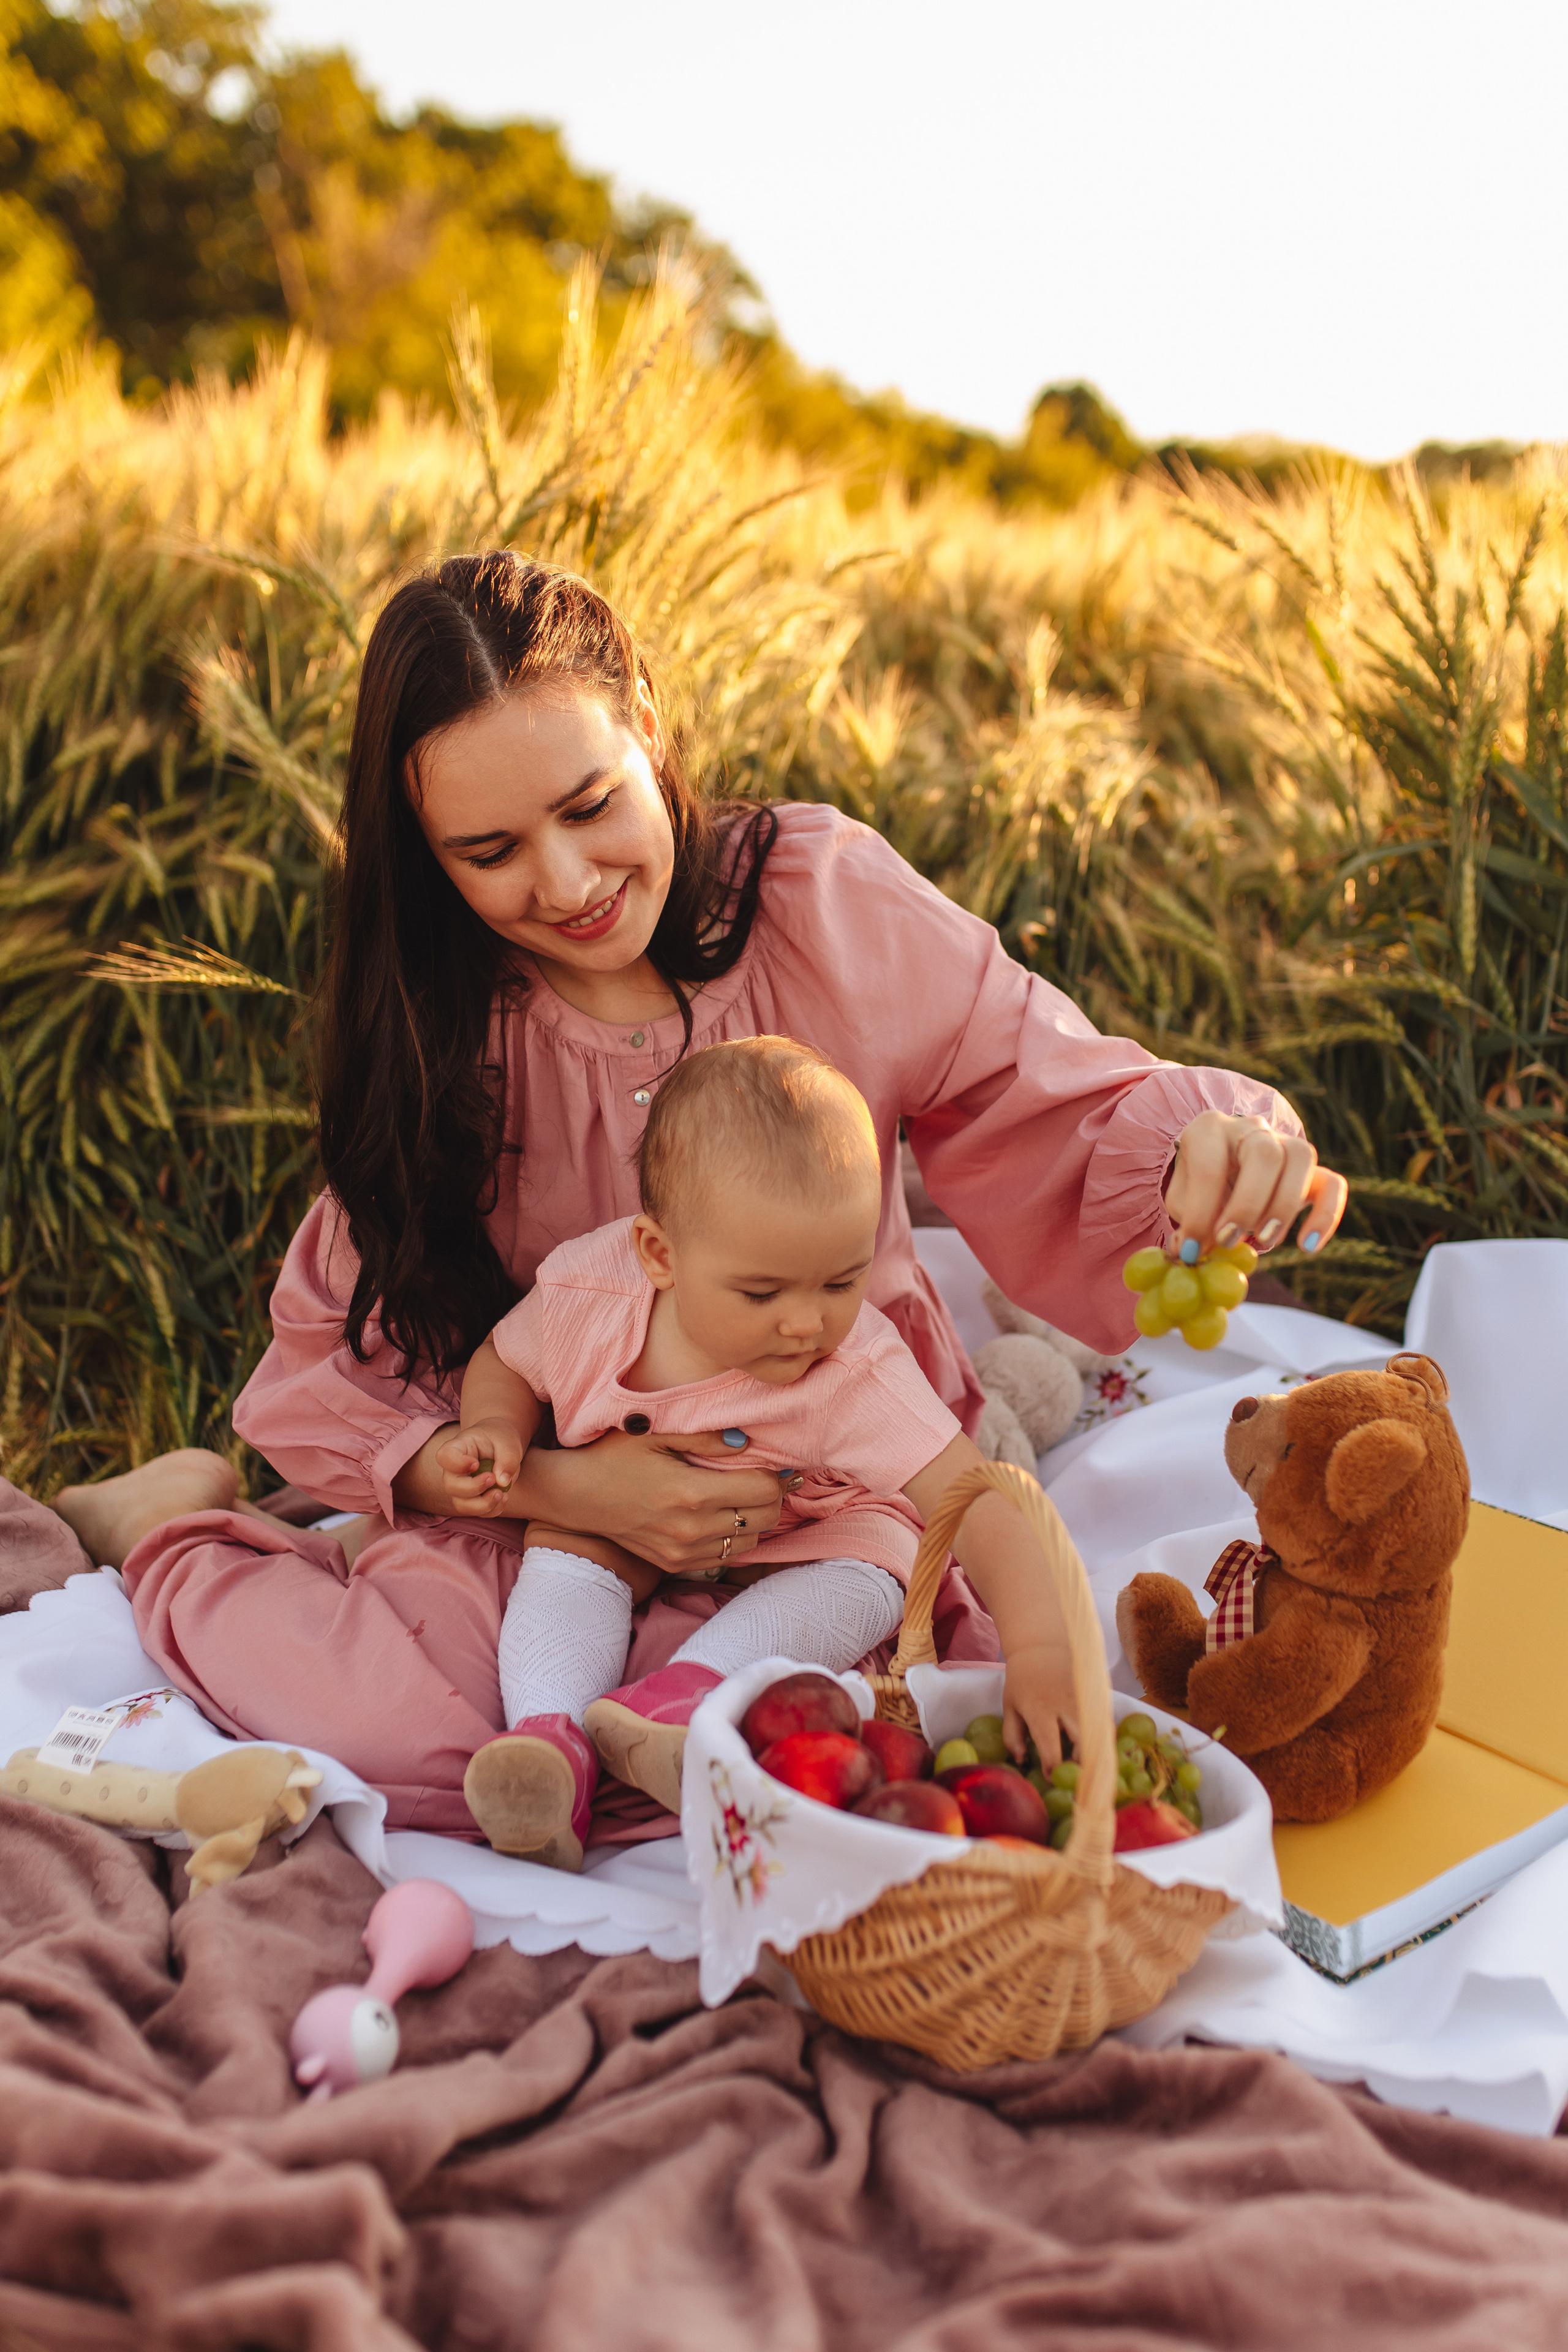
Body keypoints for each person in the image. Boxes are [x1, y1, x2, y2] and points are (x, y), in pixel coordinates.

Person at [64, 552, 1346, 1842]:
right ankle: (180, 1523)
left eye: (588, 804)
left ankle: (639, 1702)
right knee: (429, 1747)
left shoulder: (817, 901)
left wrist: (1205, 1143)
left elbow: (1040, 1078)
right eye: (490, 851)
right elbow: (370, 1363)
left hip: (836, 1493)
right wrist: (575, 1493)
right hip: (557, 1505)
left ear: (648, 728)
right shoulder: (442, 1028)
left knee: (836, 1738)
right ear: (424, 855)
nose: (564, 886)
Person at [442, 1035, 1080, 1871]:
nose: (806, 1324)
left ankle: (686, 1704)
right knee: (564, 1561)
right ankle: (548, 1746)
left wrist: (1040, 1650)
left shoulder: (852, 1371)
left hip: (808, 1523)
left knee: (872, 1574)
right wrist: (492, 1427)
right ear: (659, 1257)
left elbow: (977, 1497)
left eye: (840, 1282)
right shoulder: (590, 1297)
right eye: (762, 1292)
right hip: (626, 1503)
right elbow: (509, 1360)